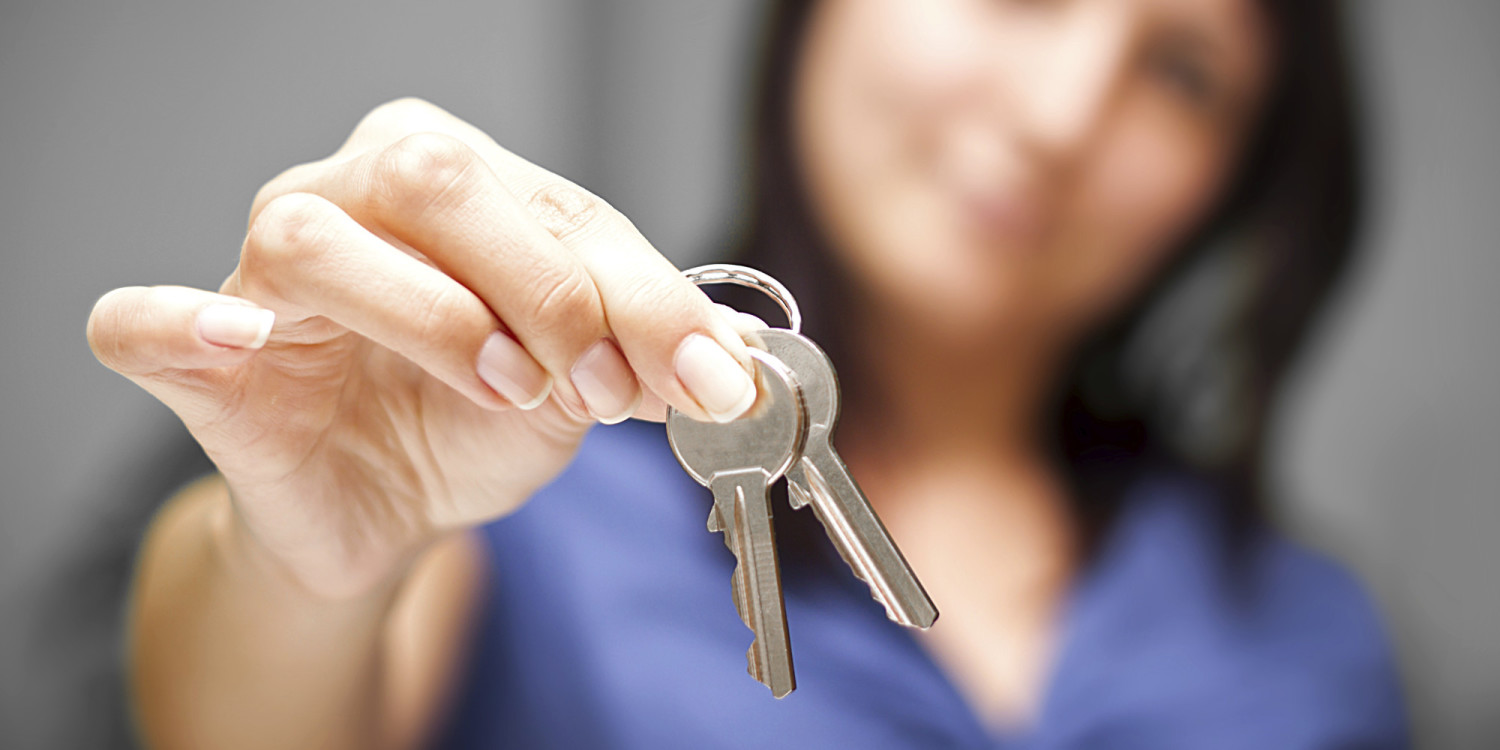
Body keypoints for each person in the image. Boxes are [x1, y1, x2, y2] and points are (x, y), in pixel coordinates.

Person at [86, 0, 1407, 747]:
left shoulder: (1316, 633)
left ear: (1235, 181)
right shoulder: (500, 467)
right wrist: (302, 567)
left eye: (1182, 72)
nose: (1062, 116)